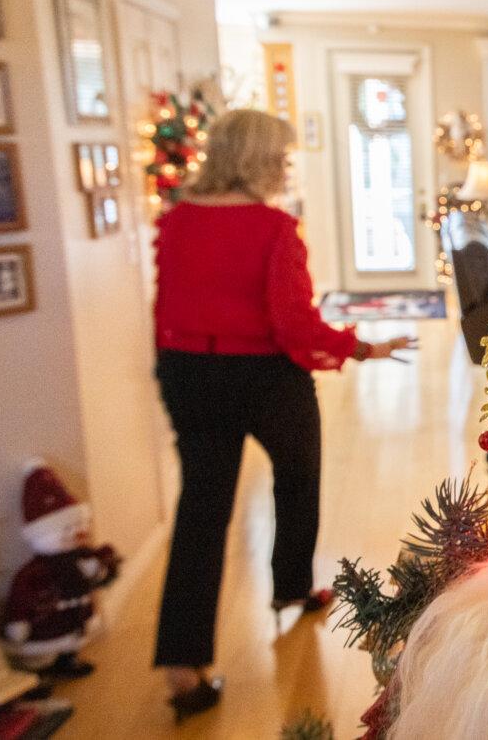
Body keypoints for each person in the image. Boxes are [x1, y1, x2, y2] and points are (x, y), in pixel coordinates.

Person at [151, 109, 414, 721]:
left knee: (202, 510)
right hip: (266, 375)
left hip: (187, 371)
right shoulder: (274, 229)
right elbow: (294, 327)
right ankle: (292, 587)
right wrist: (364, 347)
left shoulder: (176, 221)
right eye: (282, 157)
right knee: (298, 479)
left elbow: (165, 311)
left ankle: (180, 667)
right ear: (258, 159)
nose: (285, 166)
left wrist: (173, 372)